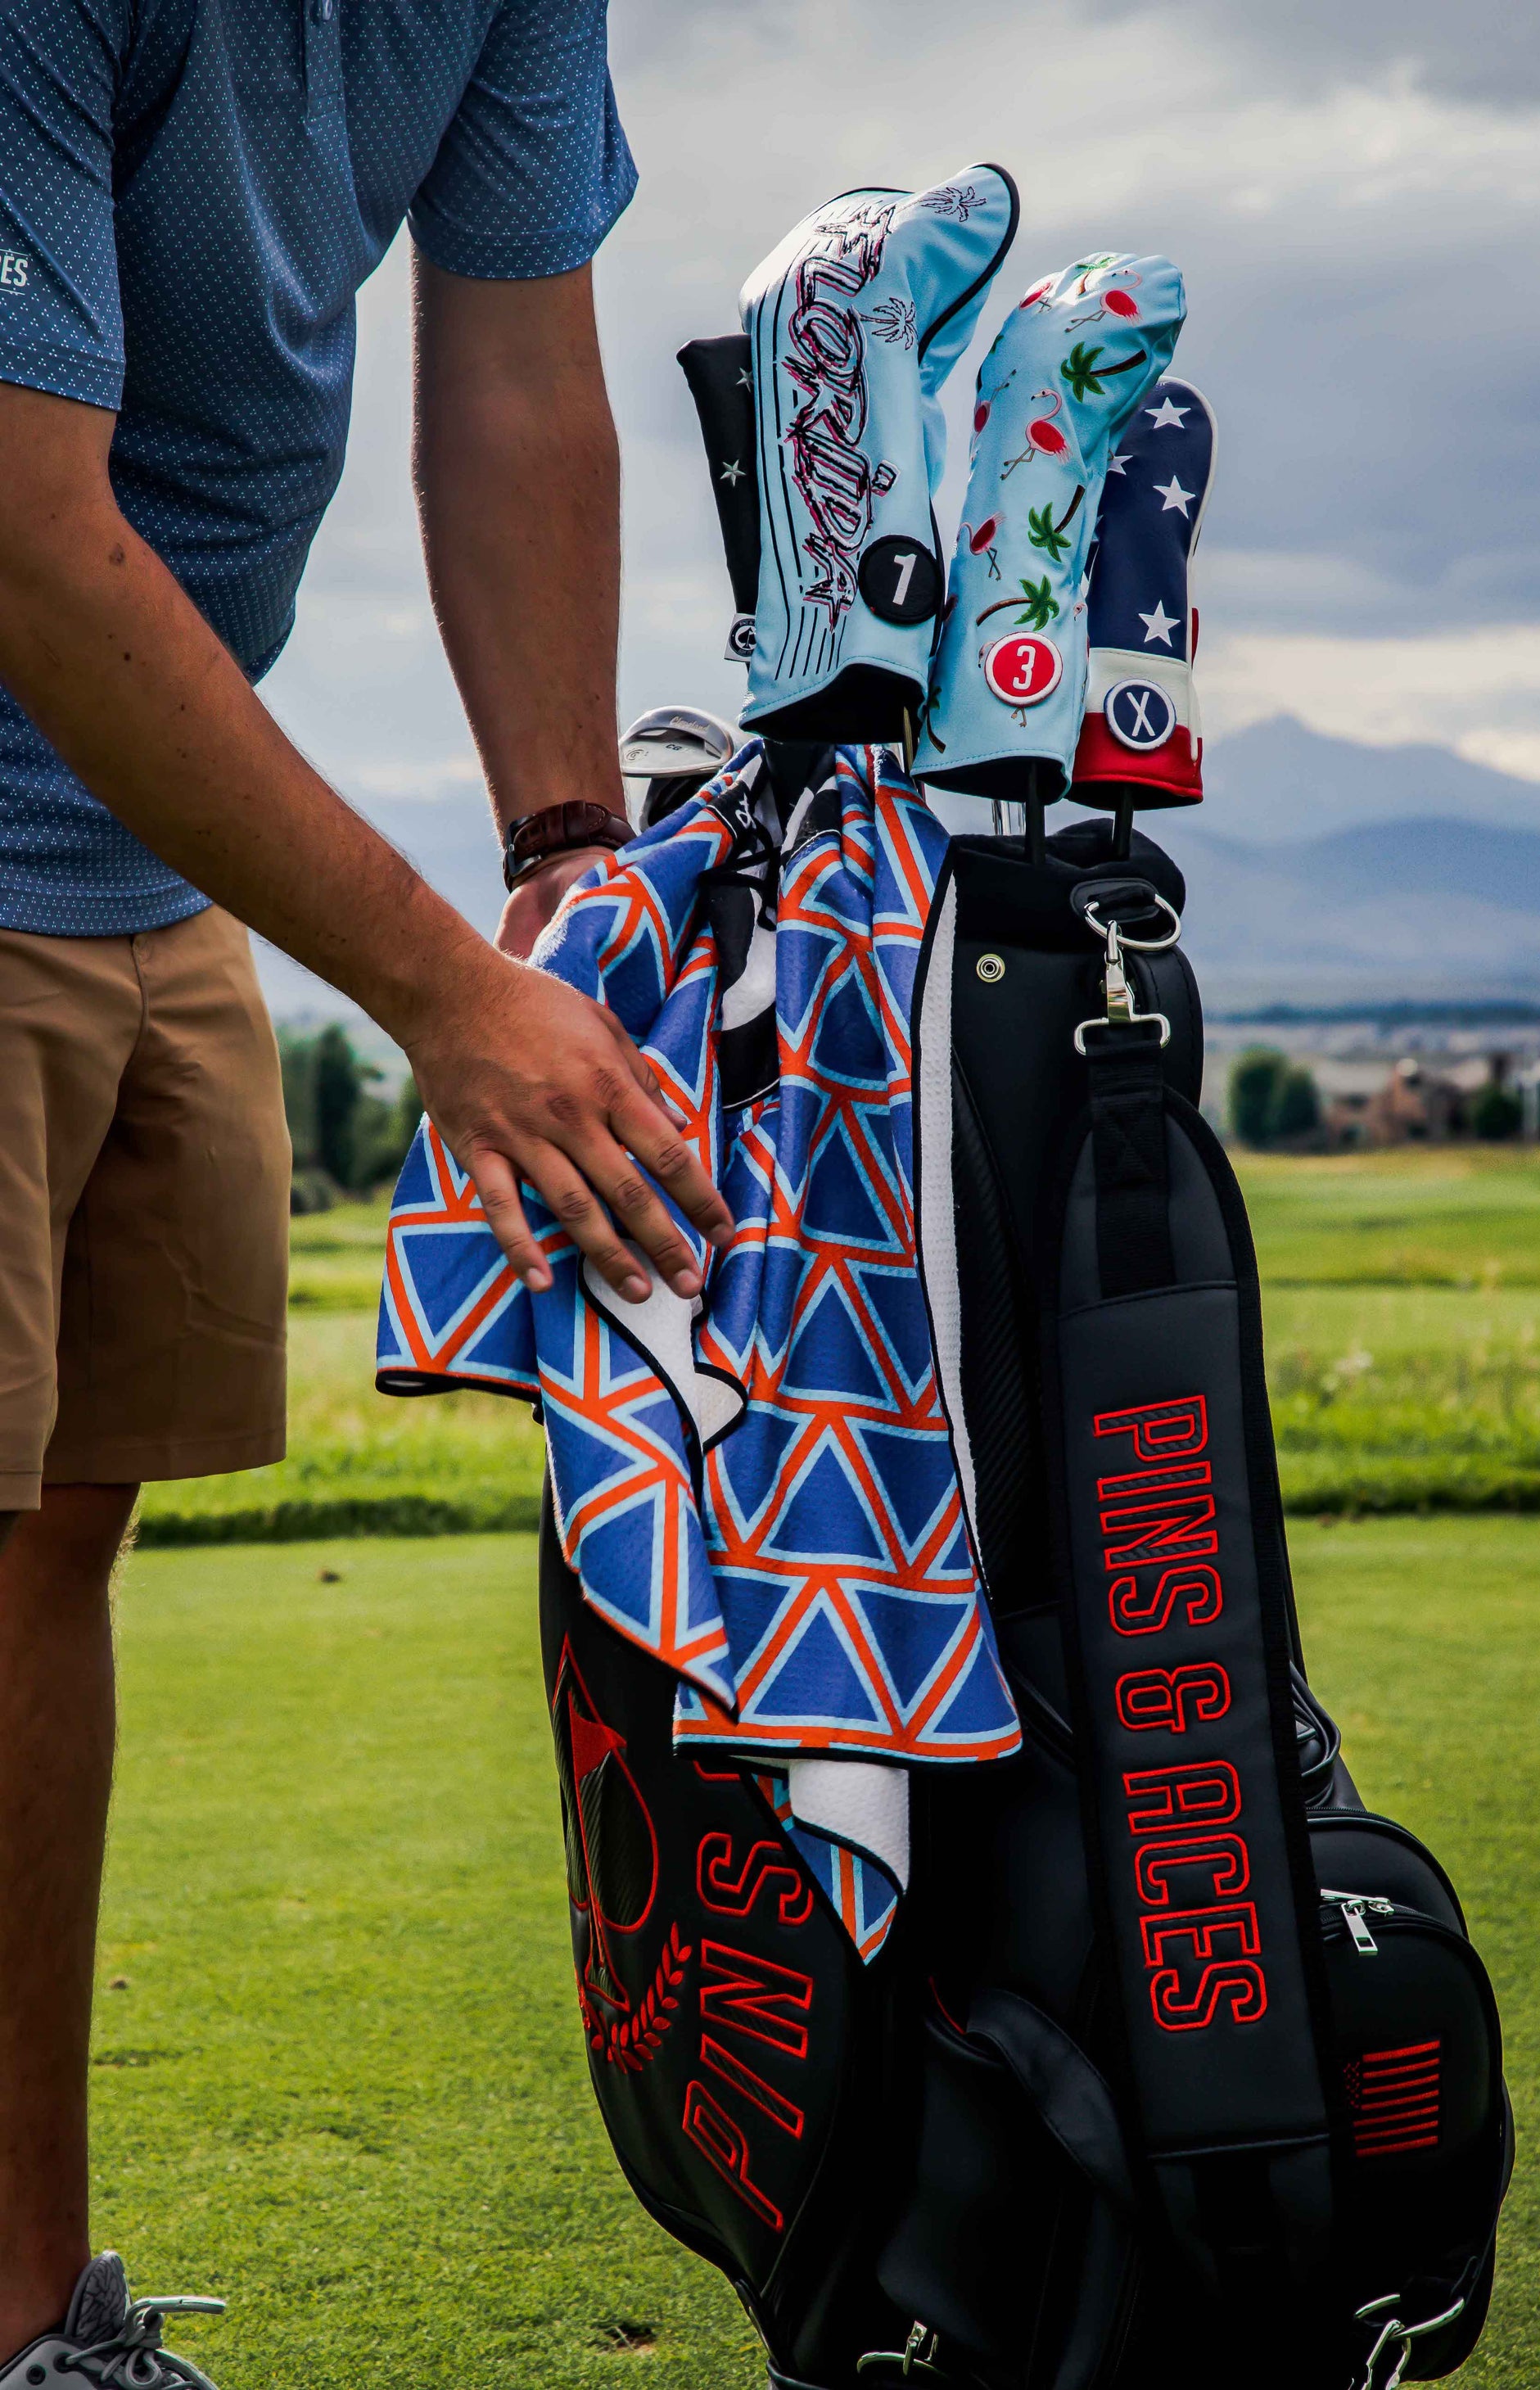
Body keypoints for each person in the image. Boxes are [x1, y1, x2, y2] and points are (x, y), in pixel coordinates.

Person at [0, 3, 733, 2378]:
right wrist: (439, 992)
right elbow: (26, 533)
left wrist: (568, 860)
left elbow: (513, 377)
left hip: (154, 846)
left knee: (48, 1549)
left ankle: (24, 2318)